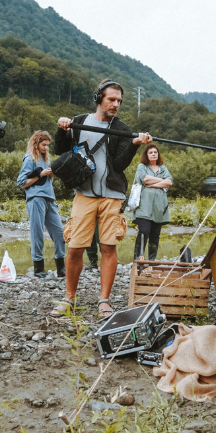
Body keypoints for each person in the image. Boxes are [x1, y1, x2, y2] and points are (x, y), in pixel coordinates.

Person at [54, 79, 152, 318]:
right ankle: (69, 297)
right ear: (99, 98)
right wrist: (61, 128)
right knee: (75, 247)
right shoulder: (78, 122)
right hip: (83, 193)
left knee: (108, 246)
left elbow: (119, 165)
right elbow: (60, 150)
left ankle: (104, 300)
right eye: (111, 99)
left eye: (119, 101)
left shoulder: (122, 128)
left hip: (112, 194)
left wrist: (133, 144)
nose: (116, 104)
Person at [17, 131, 66, 278]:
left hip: (49, 199)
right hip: (36, 198)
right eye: (43, 145)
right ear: (36, 143)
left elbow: (45, 180)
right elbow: (21, 183)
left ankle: (61, 267)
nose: (46, 148)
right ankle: (38, 268)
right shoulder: (29, 159)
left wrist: (50, 175)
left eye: (47, 145)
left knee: (59, 232)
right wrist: (40, 175)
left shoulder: (45, 159)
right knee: (37, 232)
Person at [132, 144, 172, 260]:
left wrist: (153, 184)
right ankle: (138, 259)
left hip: (159, 208)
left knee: (155, 235)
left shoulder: (163, 168)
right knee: (144, 231)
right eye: (151, 152)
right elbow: (145, 179)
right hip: (144, 206)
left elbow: (169, 183)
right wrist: (162, 181)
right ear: (147, 155)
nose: (153, 154)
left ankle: (152, 261)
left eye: (155, 152)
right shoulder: (142, 166)